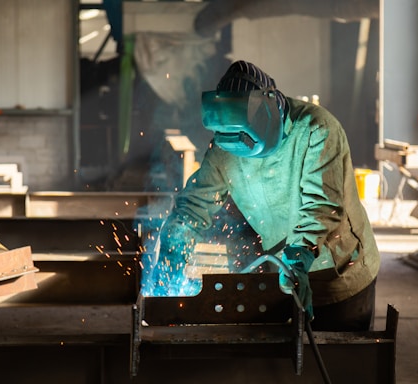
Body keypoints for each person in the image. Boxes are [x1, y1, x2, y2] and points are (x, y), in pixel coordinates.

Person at [147, 60, 380, 332]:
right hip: (280, 275)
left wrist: (299, 256)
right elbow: (195, 204)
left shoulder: (317, 129)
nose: (238, 148)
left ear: (272, 111)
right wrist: (175, 242)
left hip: (340, 272)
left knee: (338, 362)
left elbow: (321, 207)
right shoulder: (225, 145)